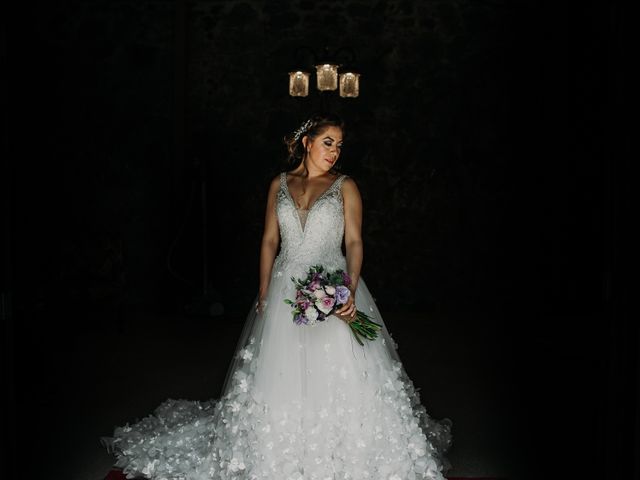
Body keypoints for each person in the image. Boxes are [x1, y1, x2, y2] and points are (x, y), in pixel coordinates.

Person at [102, 113, 452, 479]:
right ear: (307, 142)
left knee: (341, 369)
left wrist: (347, 286)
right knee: (279, 371)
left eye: (339, 146)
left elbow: (354, 240)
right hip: (286, 288)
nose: (334, 152)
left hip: (333, 283)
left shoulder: (345, 186)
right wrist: (265, 290)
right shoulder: (279, 184)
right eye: (327, 142)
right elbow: (269, 240)